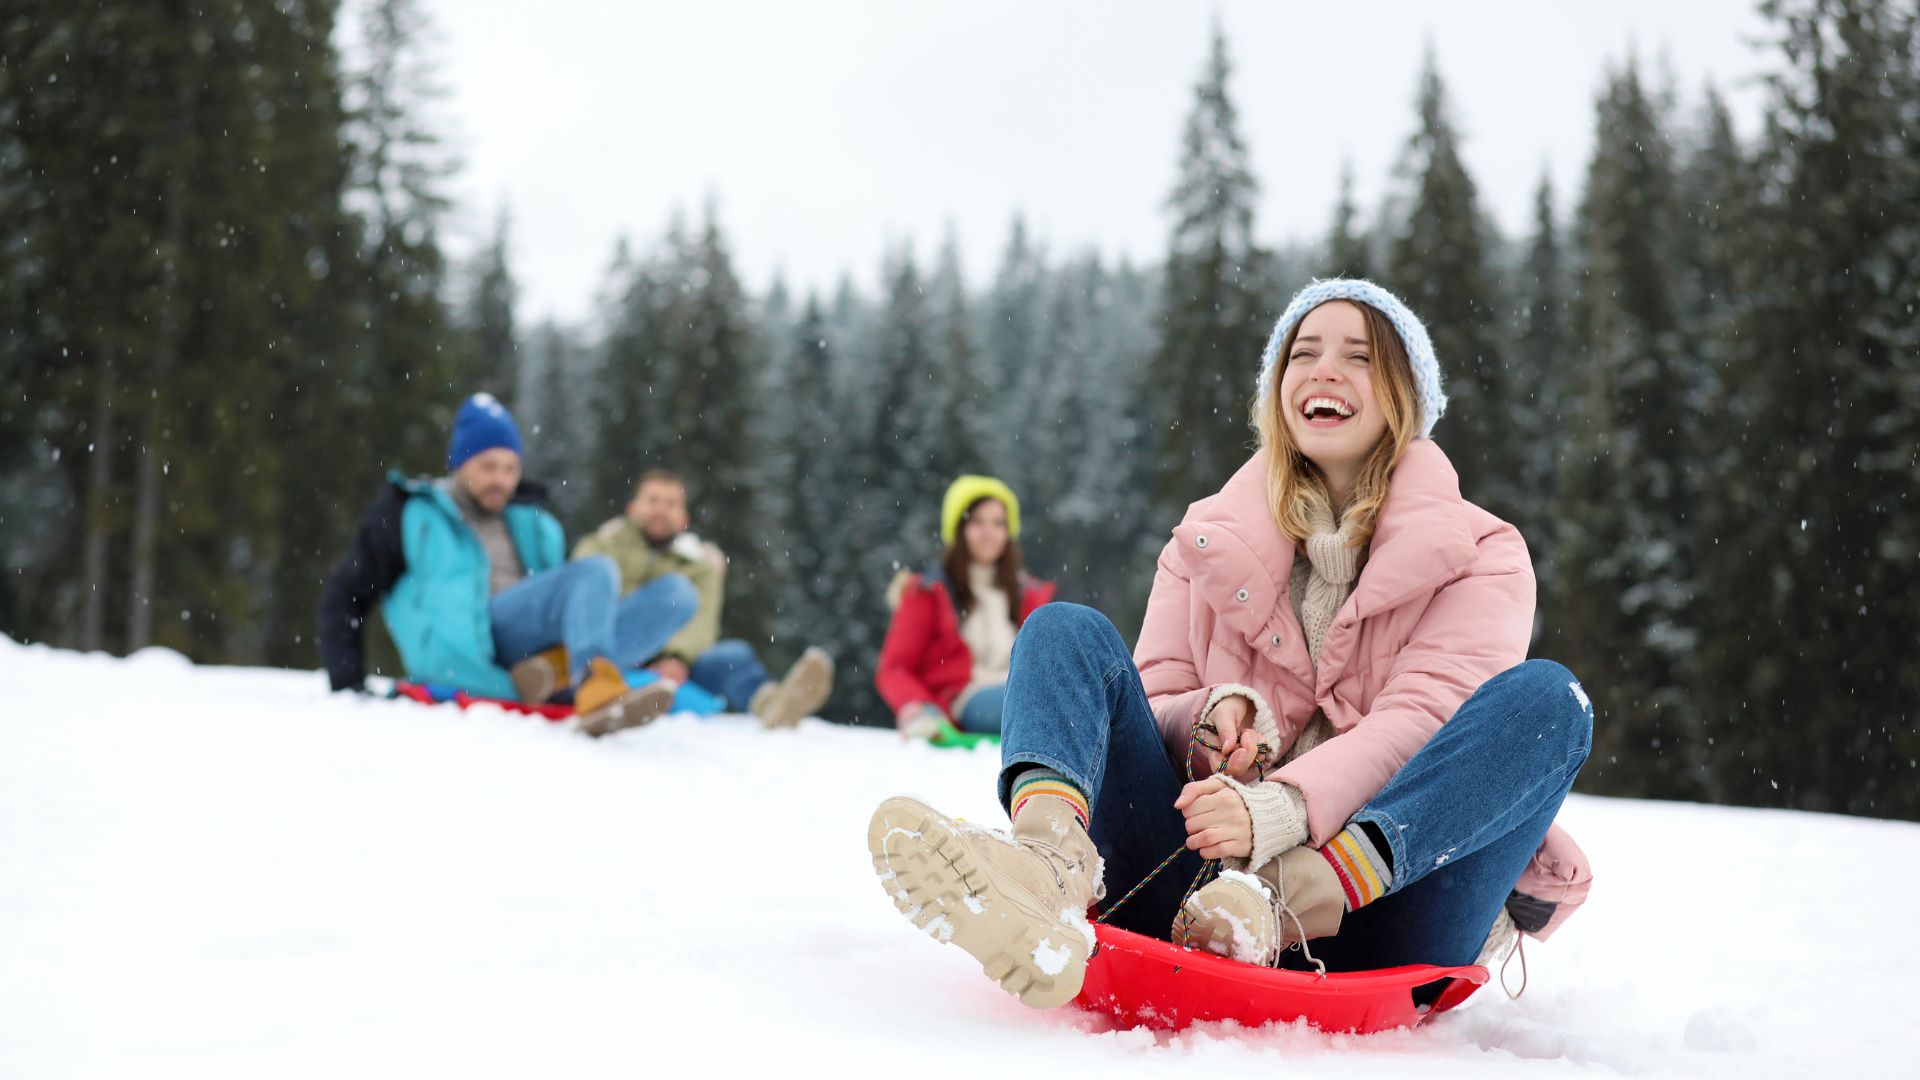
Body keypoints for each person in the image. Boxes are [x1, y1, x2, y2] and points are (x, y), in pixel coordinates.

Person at [865, 279, 1594, 1010]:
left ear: (1406, 395)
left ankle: (1289, 895)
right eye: (1302, 354)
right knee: (1064, 631)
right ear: (1279, 390)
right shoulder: (1204, 542)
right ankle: (1047, 867)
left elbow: (1426, 718)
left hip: (1382, 916)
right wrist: (1209, 721)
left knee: (1549, 701)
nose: (1323, 371)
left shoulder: (1482, 551)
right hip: (1193, 893)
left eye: (1359, 356)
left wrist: (1282, 811)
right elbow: (1149, 703)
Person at [317, 393, 698, 737]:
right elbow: (347, 593)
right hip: (471, 644)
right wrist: (348, 683)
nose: (501, 480)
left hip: (534, 645)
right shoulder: (413, 514)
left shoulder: (533, 524)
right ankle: (591, 683)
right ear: (460, 464)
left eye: (510, 468)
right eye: (488, 467)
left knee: (679, 595)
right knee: (596, 569)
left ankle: (558, 671)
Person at [572, 469, 834, 729]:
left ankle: (769, 703)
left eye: (671, 503)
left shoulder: (701, 564)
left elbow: (703, 620)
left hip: (677, 663)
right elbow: (584, 607)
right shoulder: (599, 548)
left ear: (683, 518)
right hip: (611, 651)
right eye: (652, 501)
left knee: (733, 655)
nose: (661, 510)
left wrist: (677, 657)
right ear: (632, 508)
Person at [876, 475, 1056, 740]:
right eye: (977, 521)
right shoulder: (928, 592)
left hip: (1021, 687)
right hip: (969, 698)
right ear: (959, 528)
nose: (989, 532)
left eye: (998, 523)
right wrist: (920, 708)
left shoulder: (1025, 594)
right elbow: (894, 668)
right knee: (1038, 705)